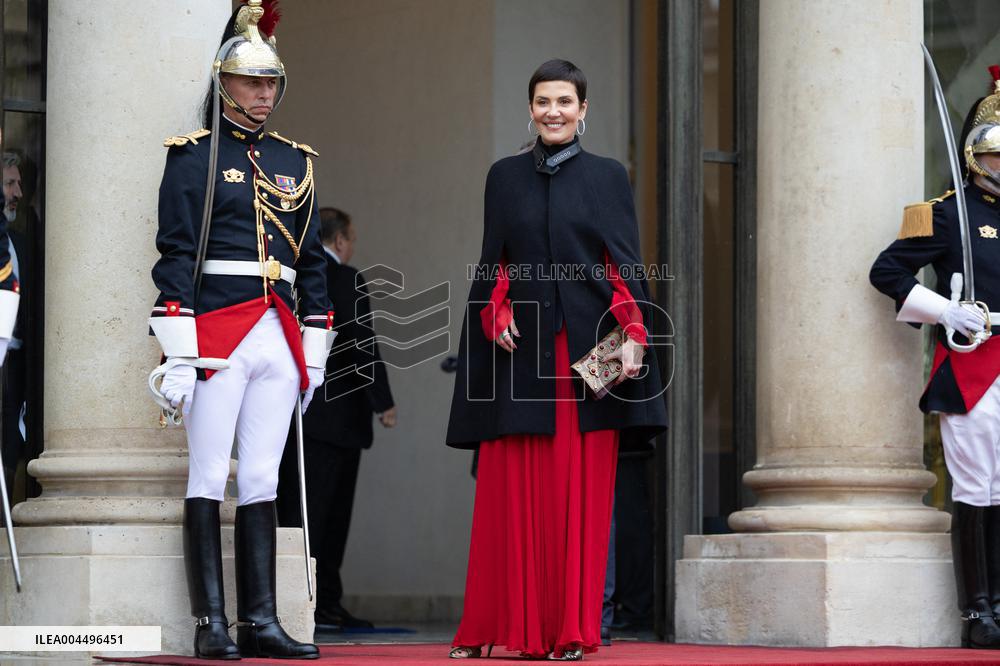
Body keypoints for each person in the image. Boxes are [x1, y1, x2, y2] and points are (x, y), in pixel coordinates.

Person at [446, 59, 667, 660]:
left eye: (564, 101)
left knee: (579, 497)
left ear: (583, 109)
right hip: (520, 357)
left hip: (585, 355)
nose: (553, 111)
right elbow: (495, 259)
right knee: (511, 491)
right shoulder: (504, 177)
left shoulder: (608, 176)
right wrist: (494, 309)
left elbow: (624, 263)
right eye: (543, 101)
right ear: (530, 107)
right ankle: (496, 628)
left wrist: (634, 331)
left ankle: (573, 629)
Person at [148, 0, 333, 659]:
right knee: (207, 475)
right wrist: (177, 349)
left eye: (270, 83)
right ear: (224, 83)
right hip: (218, 331)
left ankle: (261, 621)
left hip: (278, 332)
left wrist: (315, 349)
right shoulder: (194, 158)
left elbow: (311, 263)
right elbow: (175, 254)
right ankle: (211, 624)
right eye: (251, 82)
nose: (262, 94)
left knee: (261, 477)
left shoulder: (296, 161)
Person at [870, 65, 1000, 650]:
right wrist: (944, 312)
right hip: (975, 359)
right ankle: (979, 613)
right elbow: (886, 270)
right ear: (976, 156)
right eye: (997, 155)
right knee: (978, 487)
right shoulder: (946, 212)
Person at [276, 207, 396, 631]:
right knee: (328, 518)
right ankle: (322, 603)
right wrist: (383, 400)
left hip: (292, 415)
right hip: (336, 419)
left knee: (296, 510)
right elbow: (363, 340)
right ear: (340, 241)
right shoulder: (345, 278)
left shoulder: (288, 275)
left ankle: (295, 600)